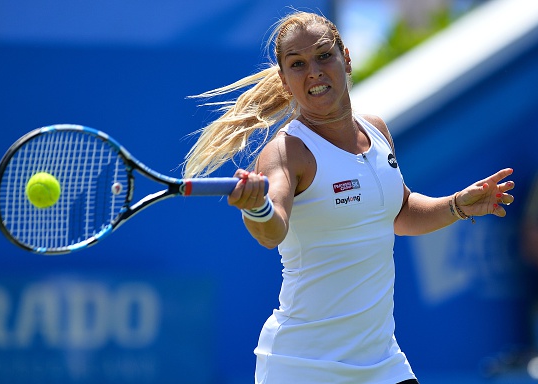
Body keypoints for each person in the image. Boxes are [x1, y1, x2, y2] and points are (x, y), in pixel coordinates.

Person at [183, 10, 515, 384]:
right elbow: (272, 230)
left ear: (346, 57)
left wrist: (455, 205)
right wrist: (256, 207)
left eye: (324, 55)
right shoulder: (286, 152)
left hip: (382, 363)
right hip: (301, 367)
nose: (314, 72)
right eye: (298, 64)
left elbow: (399, 211)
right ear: (285, 80)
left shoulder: (376, 131)